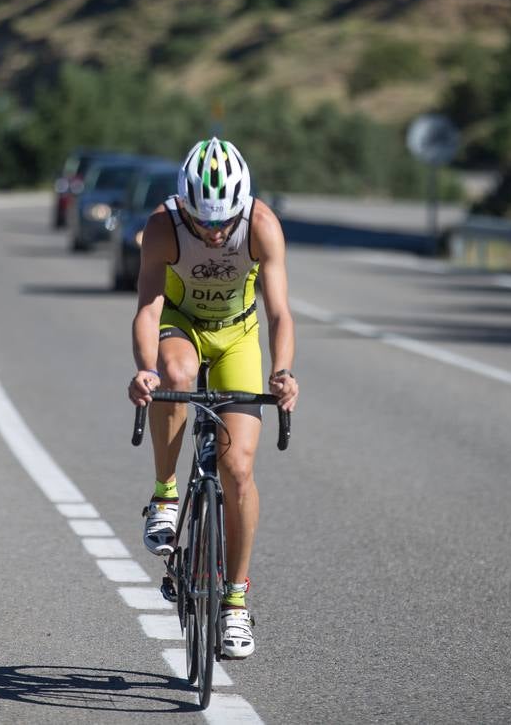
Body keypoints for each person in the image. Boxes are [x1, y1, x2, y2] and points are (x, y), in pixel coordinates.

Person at [127, 137, 299, 660]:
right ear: (185, 205)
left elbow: (278, 314)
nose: (217, 232)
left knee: (238, 468)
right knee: (175, 370)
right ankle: (165, 494)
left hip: (237, 335)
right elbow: (148, 308)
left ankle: (235, 602)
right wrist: (144, 369)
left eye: (225, 222)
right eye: (205, 222)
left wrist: (283, 372)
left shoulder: (261, 225)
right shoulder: (163, 227)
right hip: (182, 326)